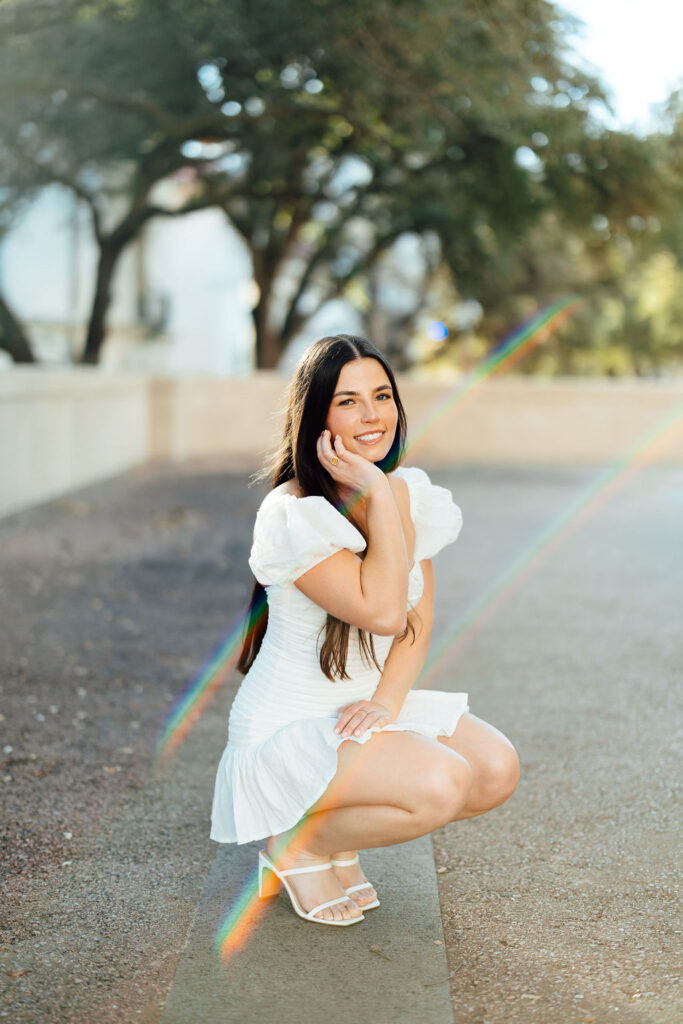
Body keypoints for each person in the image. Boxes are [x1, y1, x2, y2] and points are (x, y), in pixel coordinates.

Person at [210, 334, 520, 926]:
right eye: (348, 401)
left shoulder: (408, 493)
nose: (372, 414)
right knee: (440, 782)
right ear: (318, 415)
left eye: (382, 395)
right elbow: (380, 611)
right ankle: (295, 847)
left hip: (358, 710)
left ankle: (327, 839)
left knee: (495, 770)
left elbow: (416, 620)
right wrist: (378, 496)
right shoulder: (292, 514)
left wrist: (387, 702)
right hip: (288, 727)